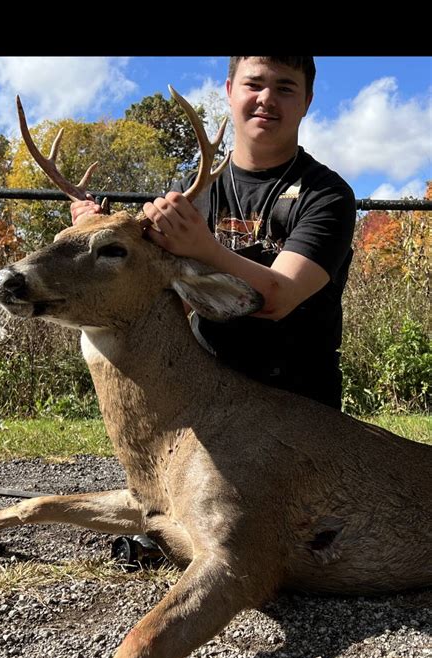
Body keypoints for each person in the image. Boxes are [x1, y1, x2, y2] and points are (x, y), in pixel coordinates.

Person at [71, 56, 357, 410]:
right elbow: (155, 296)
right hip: (204, 394)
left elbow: (277, 298)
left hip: (299, 402)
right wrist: (93, 232)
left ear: (307, 101)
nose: (267, 99)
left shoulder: (326, 195)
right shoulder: (189, 193)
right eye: (254, 84)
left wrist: (203, 248)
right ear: (230, 91)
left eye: (285, 88)